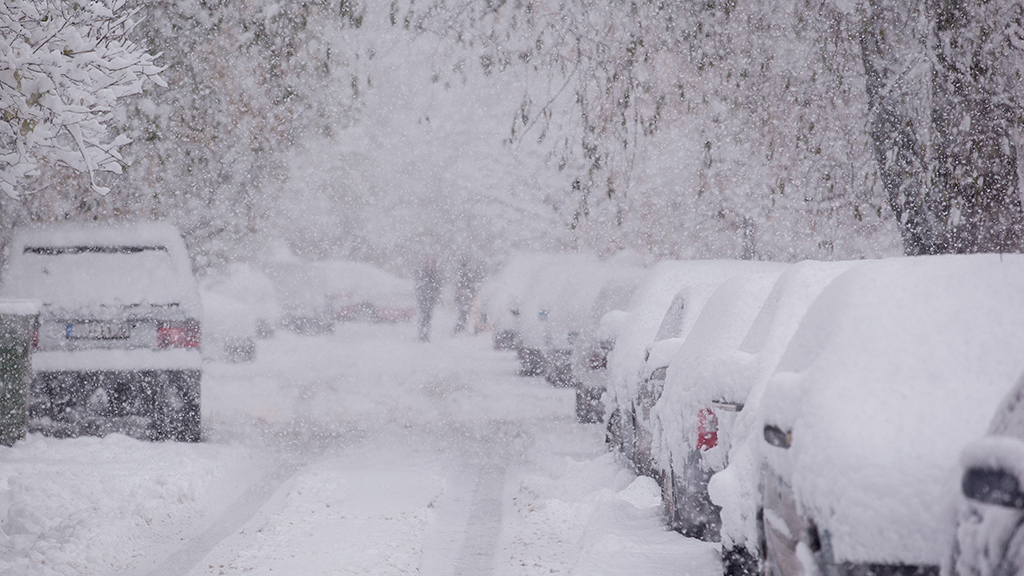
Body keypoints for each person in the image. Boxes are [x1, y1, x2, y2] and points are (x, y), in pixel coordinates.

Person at [415, 257, 441, 341]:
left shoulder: (434, 273)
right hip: (424, 299)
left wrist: (433, 295)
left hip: (430, 299)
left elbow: (438, 286)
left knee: (428, 317)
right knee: (424, 316)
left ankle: (425, 334)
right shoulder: (423, 272)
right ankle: (422, 334)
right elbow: (419, 285)